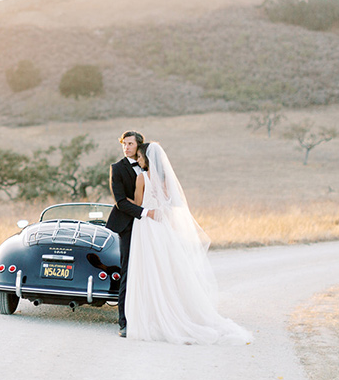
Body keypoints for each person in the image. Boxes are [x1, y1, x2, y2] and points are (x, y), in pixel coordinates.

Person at [122, 140, 252, 345]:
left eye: (139, 156)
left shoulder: (141, 178)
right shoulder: (165, 181)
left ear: (146, 158)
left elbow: (138, 205)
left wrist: (123, 202)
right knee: (166, 270)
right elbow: (169, 204)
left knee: (147, 270)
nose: (137, 160)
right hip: (162, 228)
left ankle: (152, 317)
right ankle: (177, 312)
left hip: (146, 227)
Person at [105, 130, 149, 338]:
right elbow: (120, 202)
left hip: (150, 227)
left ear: (139, 146)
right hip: (128, 226)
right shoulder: (117, 168)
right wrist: (145, 213)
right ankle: (124, 322)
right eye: (124, 144)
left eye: (130, 144)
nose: (127, 147)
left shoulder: (149, 168)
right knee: (128, 272)